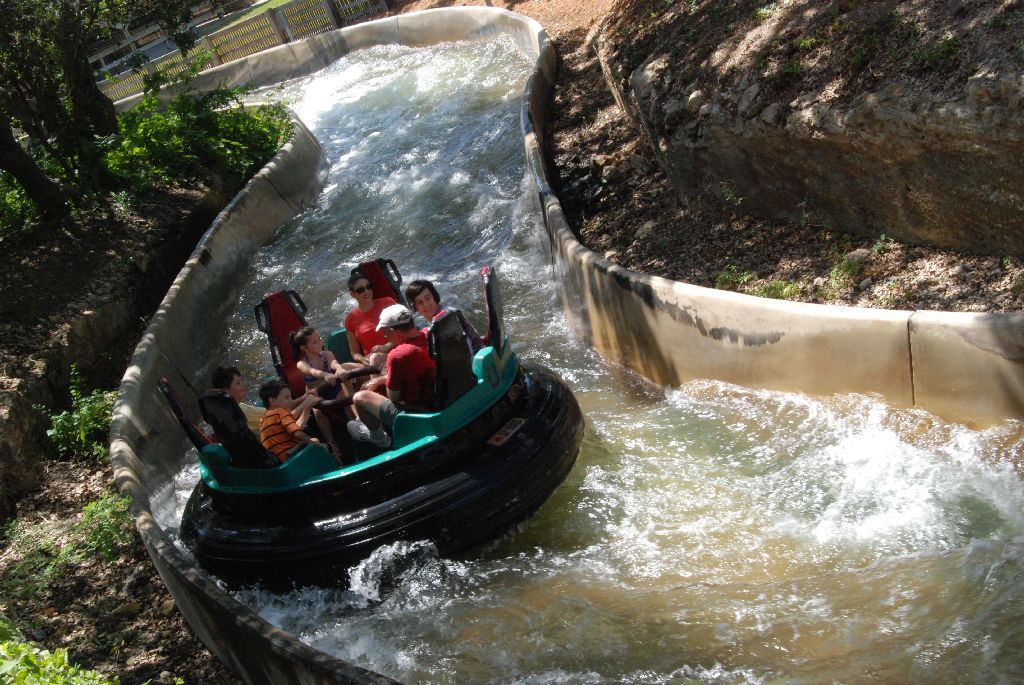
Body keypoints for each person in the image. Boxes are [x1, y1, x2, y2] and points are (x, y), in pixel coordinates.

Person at [347, 304, 436, 448]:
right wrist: (384, 378)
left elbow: (394, 397)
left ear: (394, 331)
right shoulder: (430, 333)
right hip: (436, 398)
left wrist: (383, 381)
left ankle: (379, 438)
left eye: (385, 333)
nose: (385, 337)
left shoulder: (397, 355)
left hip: (414, 413)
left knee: (360, 397)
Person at [405, 279, 484, 351]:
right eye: (420, 302)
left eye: (428, 298)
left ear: (434, 296)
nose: (425, 305)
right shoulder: (441, 316)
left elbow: (464, 350)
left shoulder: (446, 317)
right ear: (414, 307)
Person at [344, 271, 397, 369]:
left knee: (375, 358)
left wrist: (387, 346)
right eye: (360, 290)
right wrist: (362, 359)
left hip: (395, 354)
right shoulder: (350, 319)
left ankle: (377, 378)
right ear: (352, 294)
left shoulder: (388, 303)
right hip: (371, 364)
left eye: (368, 287)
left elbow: (405, 331)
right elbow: (355, 353)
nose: (367, 291)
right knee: (344, 367)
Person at [258, 379, 321, 462]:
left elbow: (292, 421)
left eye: (291, 397)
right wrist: (313, 443)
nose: (291, 401)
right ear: (273, 401)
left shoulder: (263, 419)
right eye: (287, 398)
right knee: (316, 441)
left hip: (279, 461)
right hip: (290, 458)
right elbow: (297, 433)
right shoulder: (281, 411)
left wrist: (305, 401)